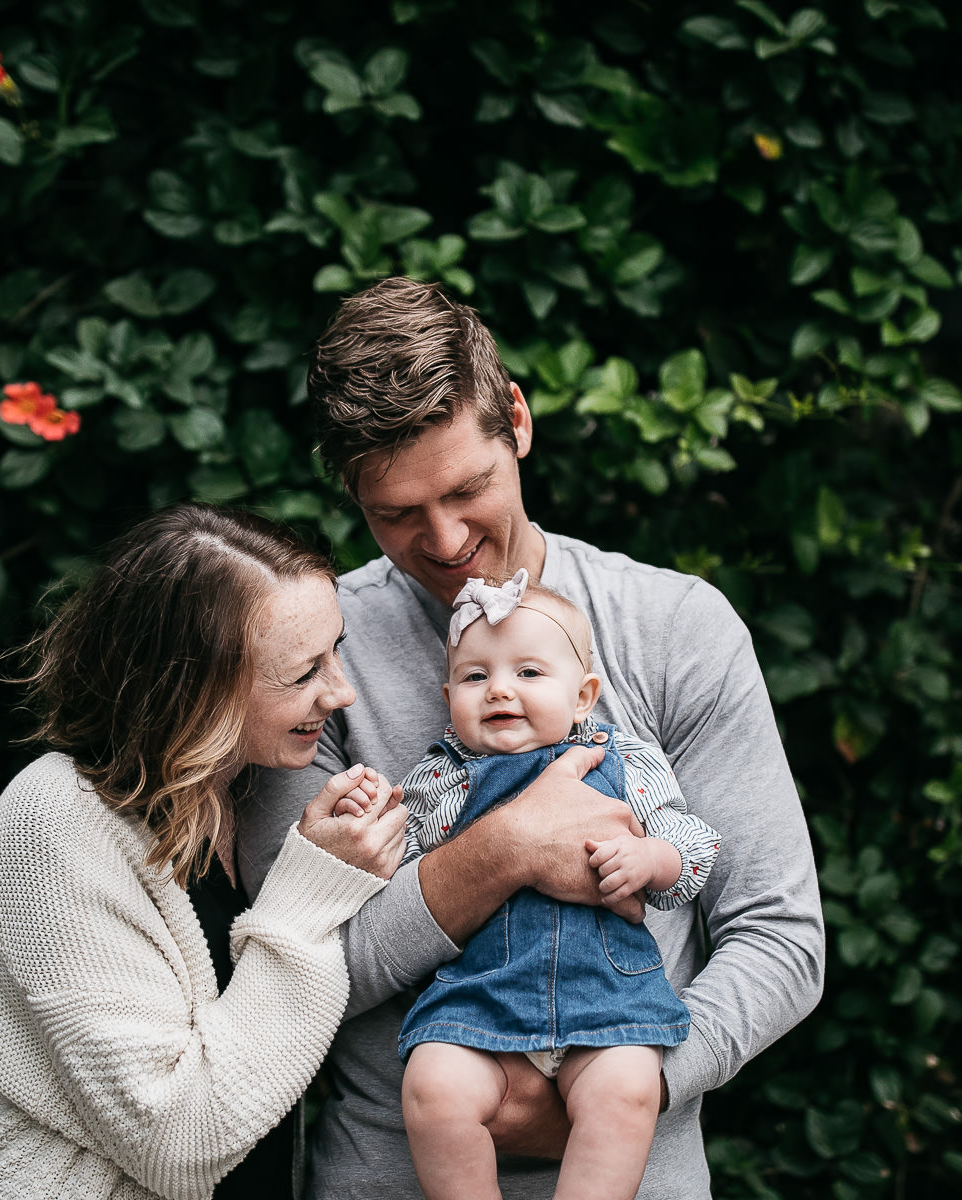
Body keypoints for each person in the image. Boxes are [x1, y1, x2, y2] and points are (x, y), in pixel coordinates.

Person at [238, 278, 825, 1199]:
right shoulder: (315, 653)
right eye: (394, 512)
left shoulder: (674, 626)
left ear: (516, 418)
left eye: (468, 488)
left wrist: (629, 1093)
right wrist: (505, 848)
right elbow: (290, 977)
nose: (443, 539)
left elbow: (780, 938)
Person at [0, 504, 408, 1200]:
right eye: (302, 675)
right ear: (191, 687)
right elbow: (178, 1140)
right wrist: (313, 893)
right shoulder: (53, 821)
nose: (342, 691)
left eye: (337, 651)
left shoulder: (248, 793)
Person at [395, 571, 721, 1200]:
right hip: (480, 1004)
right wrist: (369, 829)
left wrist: (651, 859)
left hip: (609, 1004)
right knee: (434, 1088)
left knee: (626, 1091)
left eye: (529, 673)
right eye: (474, 677)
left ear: (583, 697)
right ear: (447, 697)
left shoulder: (624, 761)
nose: (499, 692)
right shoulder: (443, 779)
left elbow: (695, 847)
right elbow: (406, 874)